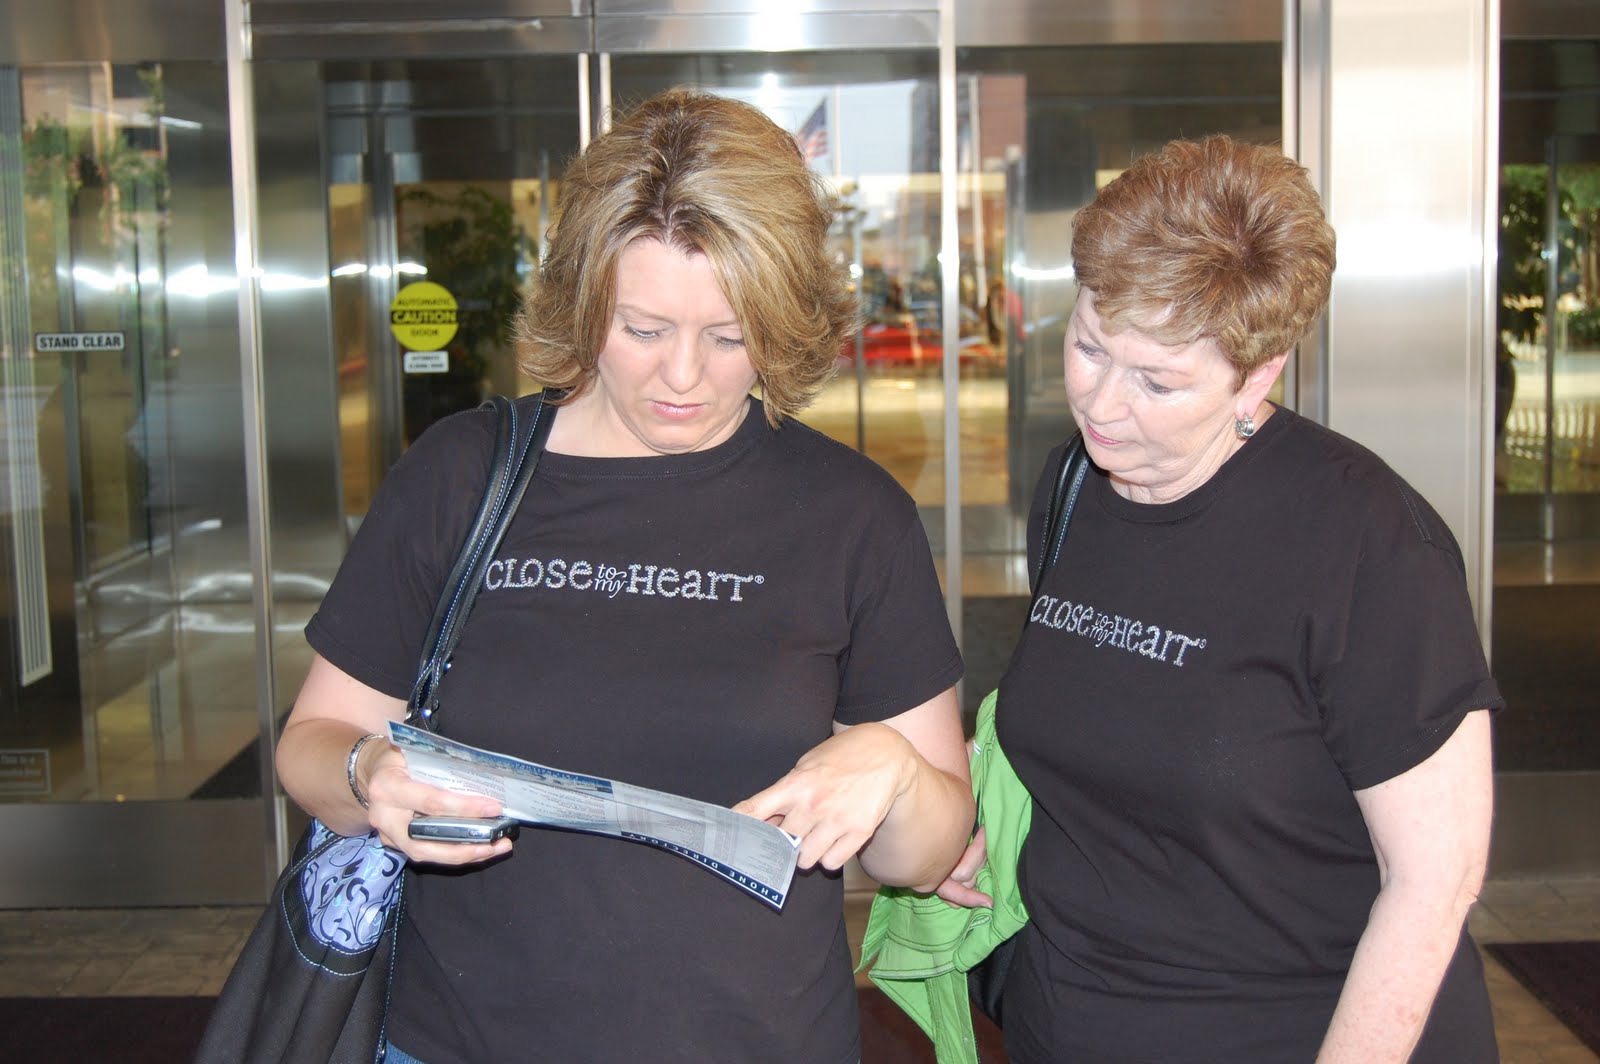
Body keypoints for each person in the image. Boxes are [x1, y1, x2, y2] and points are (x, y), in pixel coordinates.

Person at [276, 88, 974, 1064]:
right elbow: (310, 743)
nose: (682, 376)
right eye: (642, 329)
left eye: (729, 335)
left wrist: (893, 771)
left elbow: (928, 852)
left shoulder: (852, 513)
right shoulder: (464, 476)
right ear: (581, 300)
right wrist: (367, 775)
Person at [938, 135, 1500, 1062]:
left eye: (1157, 381)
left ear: (1261, 370)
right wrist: (994, 818)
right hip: (1067, 1021)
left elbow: (1434, 880)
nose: (1101, 404)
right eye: (1089, 346)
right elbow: (1116, 721)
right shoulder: (1074, 487)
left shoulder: (1367, 543)